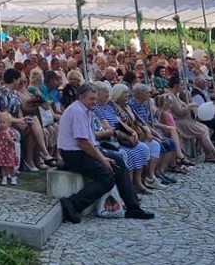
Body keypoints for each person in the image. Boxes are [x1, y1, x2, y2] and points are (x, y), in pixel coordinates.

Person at [58, 84, 154, 223]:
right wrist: (102, 159)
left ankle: (133, 207)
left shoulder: (85, 110)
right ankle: (72, 203)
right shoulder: (77, 111)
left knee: (119, 161)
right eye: (91, 99)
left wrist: (102, 155)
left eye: (95, 98)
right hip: (74, 154)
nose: (95, 102)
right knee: (107, 177)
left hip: (85, 150)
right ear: (81, 97)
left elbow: (89, 141)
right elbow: (83, 143)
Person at [0, 112, 19, 185]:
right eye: (0, 122)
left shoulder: (11, 132)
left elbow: (13, 142)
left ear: (9, 123)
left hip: (9, 152)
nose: (1, 124)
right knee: (3, 166)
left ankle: (13, 177)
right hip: (1, 151)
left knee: (11, 166)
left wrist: (10, 139)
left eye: (3, 122)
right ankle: (4, 178)